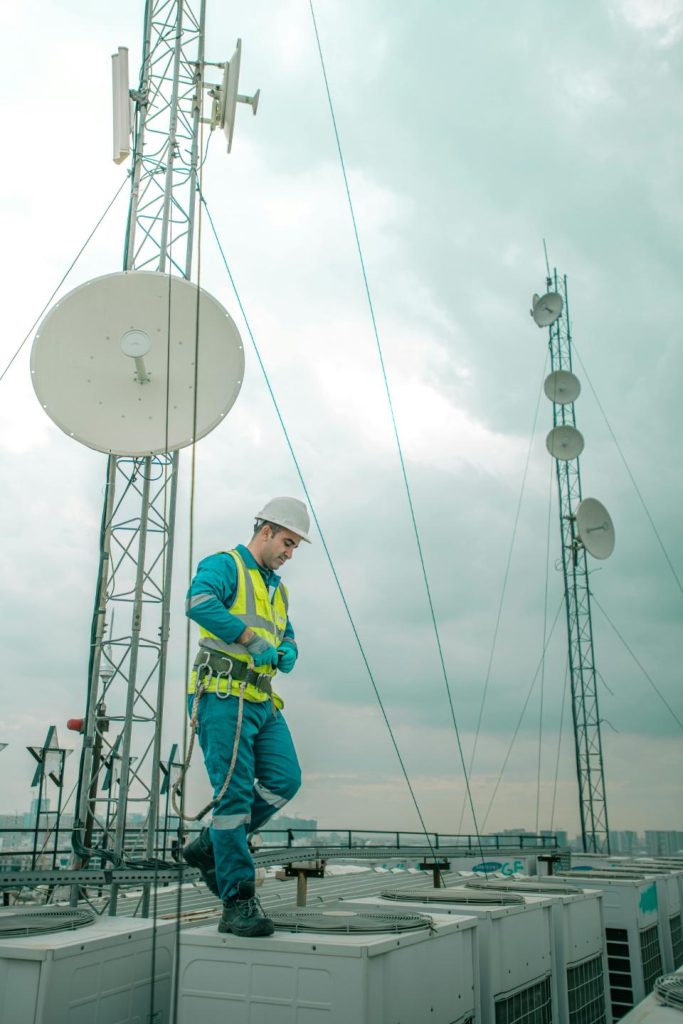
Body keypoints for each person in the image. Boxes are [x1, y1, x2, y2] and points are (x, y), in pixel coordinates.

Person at [182, 496, 310, 936]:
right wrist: (250, 639)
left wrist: (289, 648)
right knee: (233, 797)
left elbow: (285, 630)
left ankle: (209, 845)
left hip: (261, 699)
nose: (290, 553)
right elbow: (199, 602)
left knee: (284, 780)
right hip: (224, 695)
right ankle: (236, 901)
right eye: (287, 543)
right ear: (266, 530)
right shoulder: (225, 565)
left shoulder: (278, 587)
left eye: (295, 547)